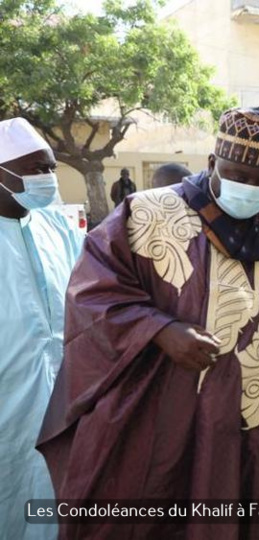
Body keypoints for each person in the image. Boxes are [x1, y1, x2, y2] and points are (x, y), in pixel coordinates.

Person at [37, 107, 259, 539]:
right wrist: (158, 329)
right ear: (212, 163)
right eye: (237, 174)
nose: (248, 188)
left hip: (252, 416)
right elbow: (93, 293)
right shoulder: (145, 214)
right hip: (162, 408)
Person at [0, 118, 83, 540]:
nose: (47, 179)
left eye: (50, 167)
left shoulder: (55, 224)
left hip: (62, 396)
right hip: (7, 405)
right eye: (35, 168)